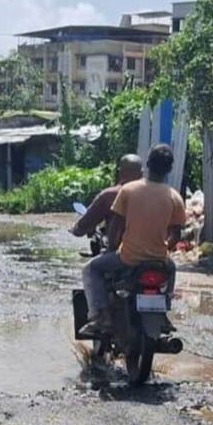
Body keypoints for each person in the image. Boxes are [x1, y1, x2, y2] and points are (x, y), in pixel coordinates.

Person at [79, 144, 187, 336]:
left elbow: (116, 226)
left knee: (91, 269)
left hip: (128, 257)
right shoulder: (175, 197)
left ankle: (101, 316)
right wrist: (163, 249)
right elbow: (176, 235)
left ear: (147, 165)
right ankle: (163, 311)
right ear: (169, 169)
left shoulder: (129, 190)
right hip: (158, 260)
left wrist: (112, 248)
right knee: (171, 268)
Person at [69, 154, 143, 250]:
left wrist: (76, 229)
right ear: (141, 174)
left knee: (90, 266)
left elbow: (83, 226)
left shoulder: (109, 195)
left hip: (121, 254)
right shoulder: (153, 195)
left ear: (120, 173)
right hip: (154, 253)